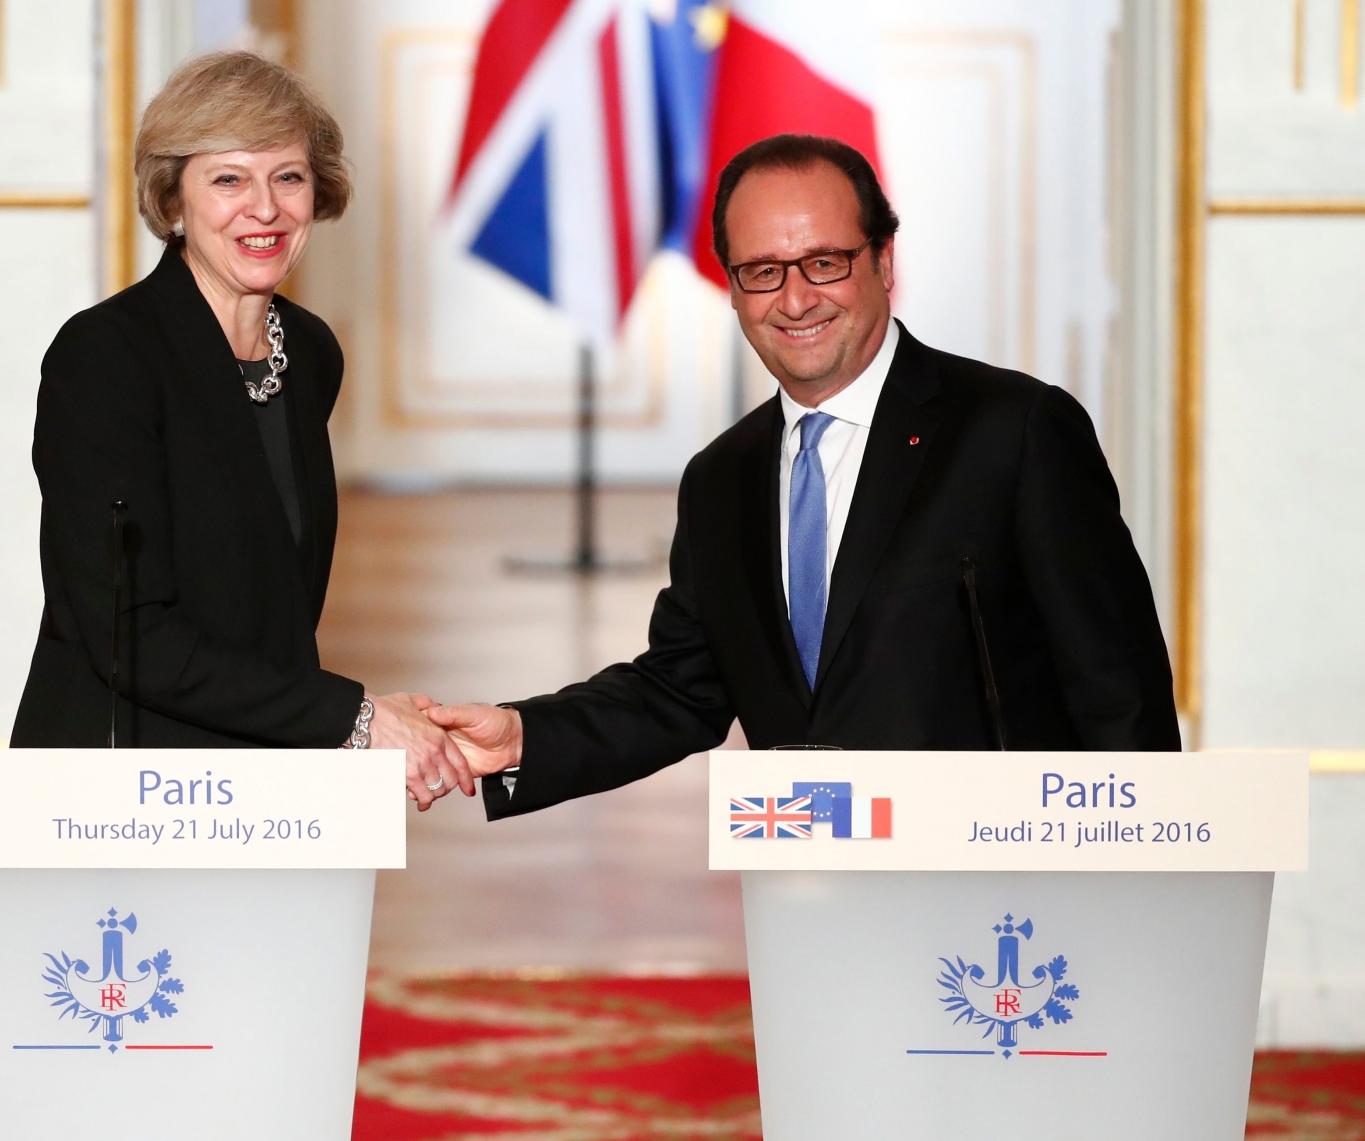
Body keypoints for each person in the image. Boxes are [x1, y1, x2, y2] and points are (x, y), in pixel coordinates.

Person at [427, 133, 1180, 819]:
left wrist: (1131, 886)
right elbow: (680, 689)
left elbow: (1118, 692)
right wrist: (525, 736)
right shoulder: (721, 479)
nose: (794, 299)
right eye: (762, 272)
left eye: (824, 262)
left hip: (1002, 895)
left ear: (883, 262)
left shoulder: (1015, 431)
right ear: (731, 287)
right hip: (808, 889)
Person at [9, 51, 469, 808]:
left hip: (262, 783)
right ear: (174, 201)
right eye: (228, 179)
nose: (265, 208)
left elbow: (265, 608)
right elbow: (127, 635)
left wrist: (352, 722)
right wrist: (356, 719)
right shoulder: (106, 358)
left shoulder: (310, 353)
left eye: (287, 177)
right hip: (117, 793)